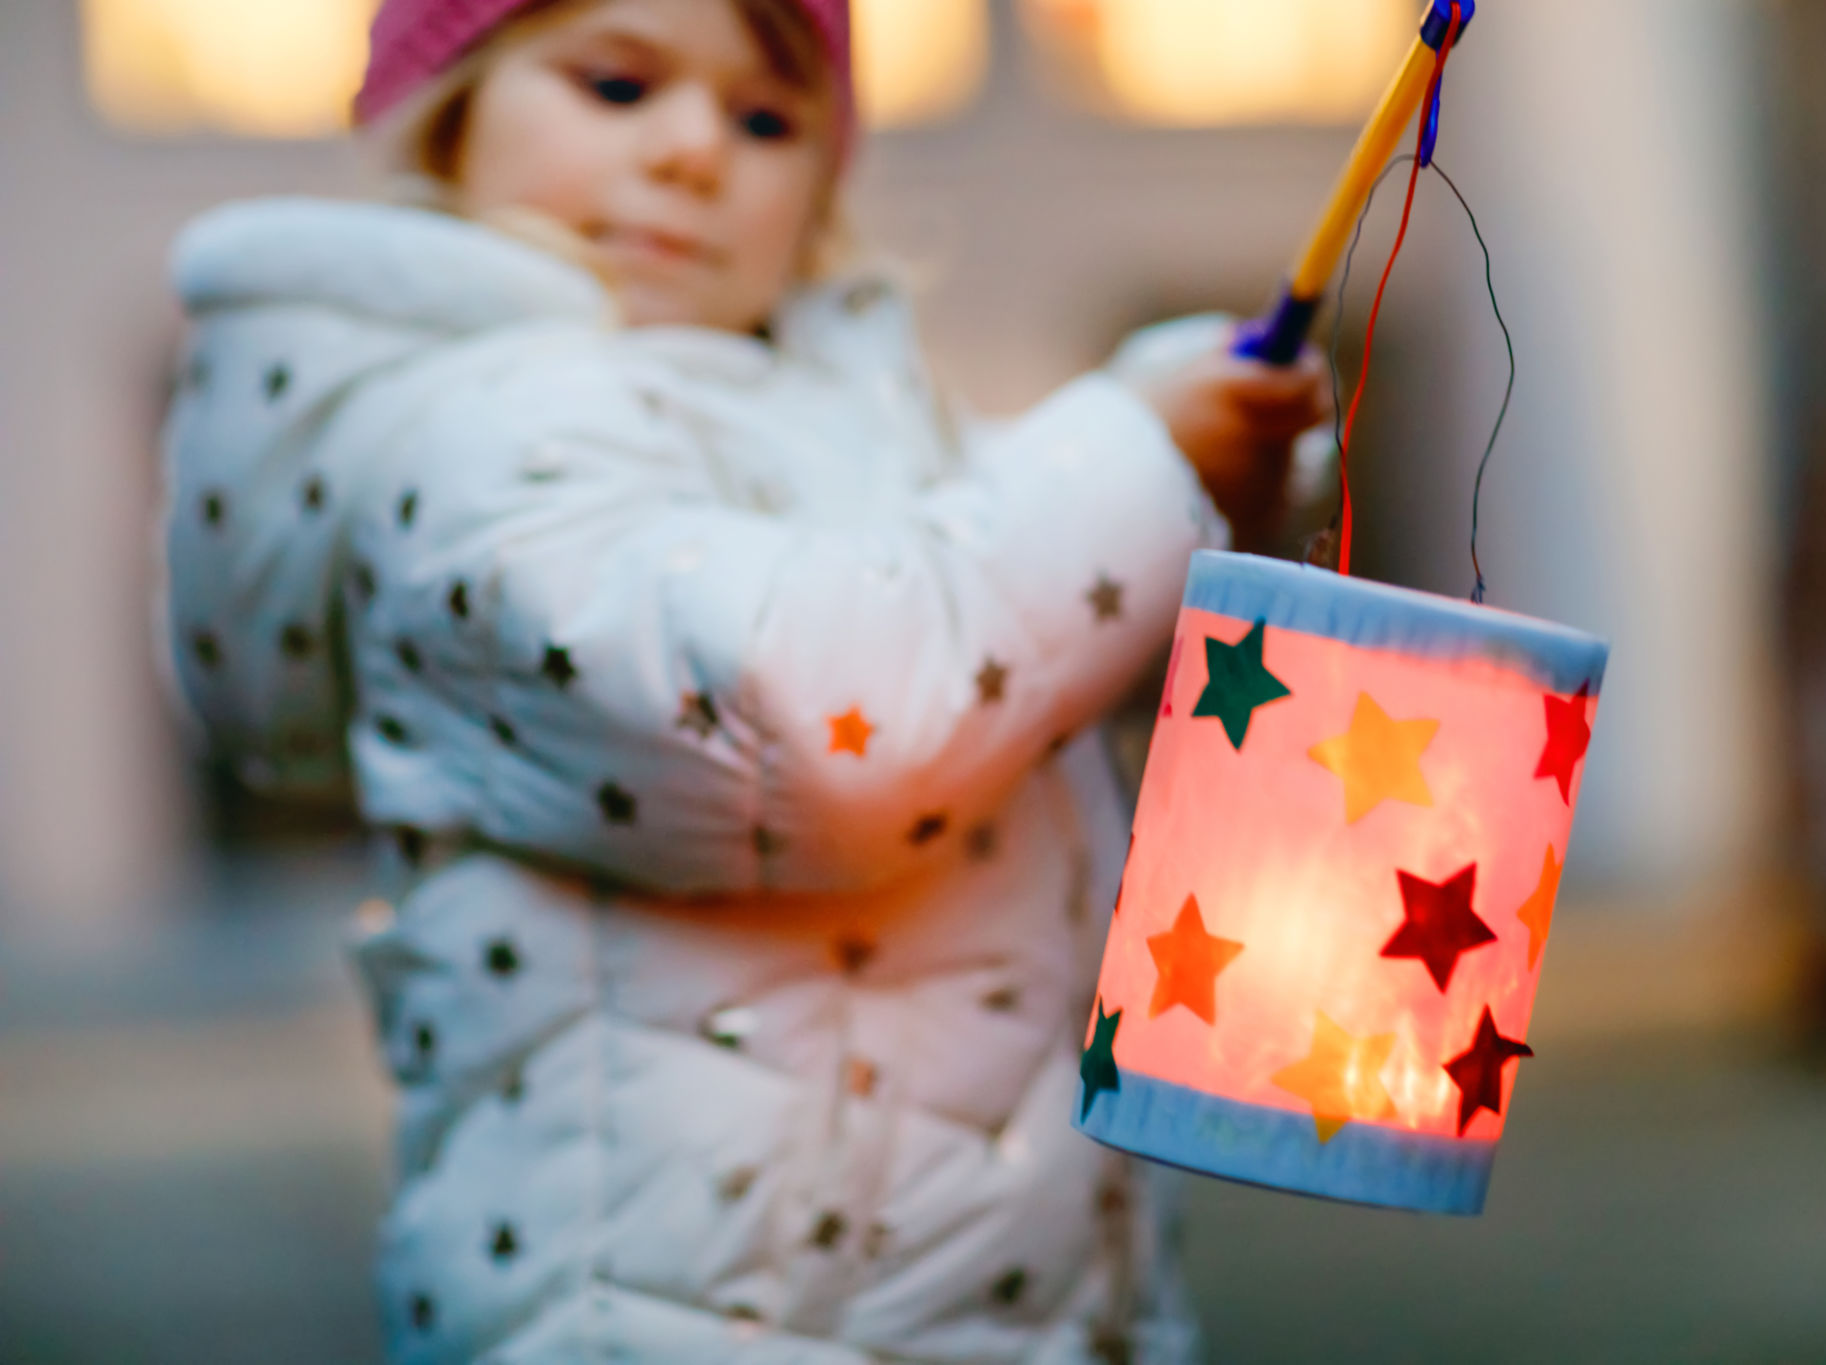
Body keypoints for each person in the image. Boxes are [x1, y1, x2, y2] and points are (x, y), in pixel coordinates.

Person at [161, 0, 1330, 1358]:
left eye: (768, 117)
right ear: (453, 100)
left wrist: (1187, 445)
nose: (695, 151)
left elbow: (974, 591)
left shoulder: (819, 412)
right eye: (617, 85)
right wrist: (1135, 460)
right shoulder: (474, 449)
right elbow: (836, 717)